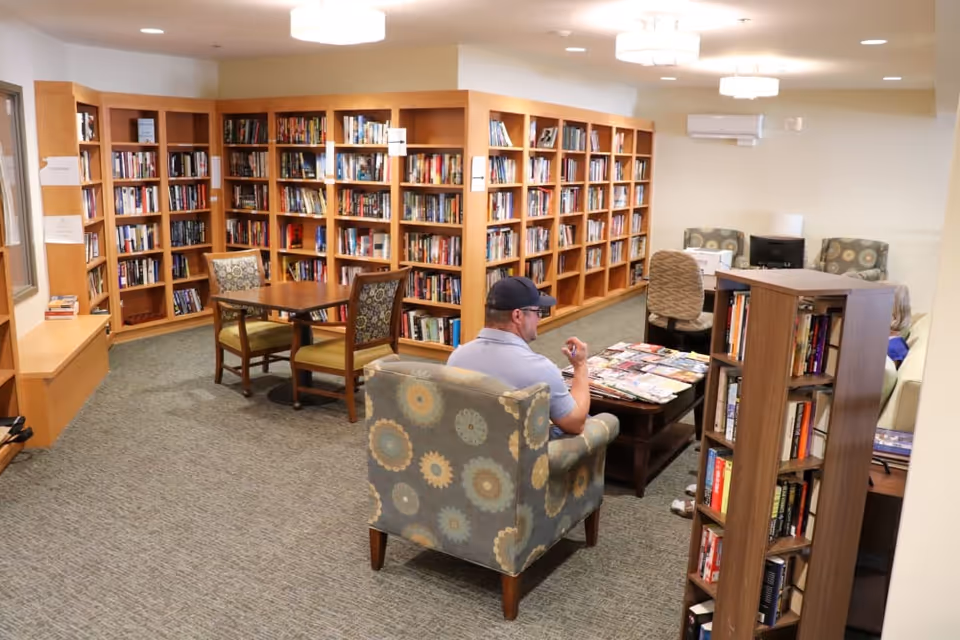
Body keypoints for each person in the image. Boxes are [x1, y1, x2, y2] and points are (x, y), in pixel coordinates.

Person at [447, 276, 591, 438]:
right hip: (520, 459)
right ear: (518, 316)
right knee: (587, 419)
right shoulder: (540, 370)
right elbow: (576, 424)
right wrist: (580, 366)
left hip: (471, 450)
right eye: (537, 312)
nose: (540, 318)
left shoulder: (456, 357)